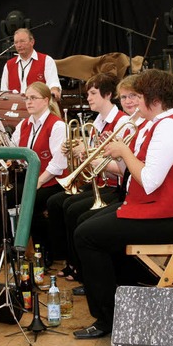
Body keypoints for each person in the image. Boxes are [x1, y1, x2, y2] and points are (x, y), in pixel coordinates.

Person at [73, 69, 173, 339]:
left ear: (153, 99)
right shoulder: (158, 123)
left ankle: (107, 317)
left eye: (138, 96)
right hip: (161, 206)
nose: (133, 103)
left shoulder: (168, 128)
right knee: (86, 224)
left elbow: (149, 180)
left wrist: (124, 151)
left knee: (87, 236)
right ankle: (128, 298)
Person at [47, 72, 131, 276]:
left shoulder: (122, 122)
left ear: (108, 94)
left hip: (113, 185)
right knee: (59, 202)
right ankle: (70, 260)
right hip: (100, 181)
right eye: (88, 93)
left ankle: (81, 267)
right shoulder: (97, 123)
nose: (89, 98)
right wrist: (76, 148)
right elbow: (94, 153)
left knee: (73, 209)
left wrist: (88, 155)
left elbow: (118, 167)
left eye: (93, 93)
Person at [9, 81, 66, 261]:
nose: (28, 102)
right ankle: (9, 249)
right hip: (31, 178)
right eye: (26, 98)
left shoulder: (57, 125)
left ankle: (44, 252)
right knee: (1, 198)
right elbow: (15, 150)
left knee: (31, 201)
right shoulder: (24, 124)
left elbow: (59, 163)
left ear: (46, 100)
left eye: (33, 98)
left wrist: (37, 182)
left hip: (52, 181)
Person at [0, 28, 62, 100]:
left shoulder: (47, 60)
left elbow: (53, 83)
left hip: (38, 108)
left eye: (22, 41)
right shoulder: (9, 65)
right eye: (16, 42)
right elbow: (4, 92)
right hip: (15, 108)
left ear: (32, 42)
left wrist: (54, 90)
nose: (19, 45)